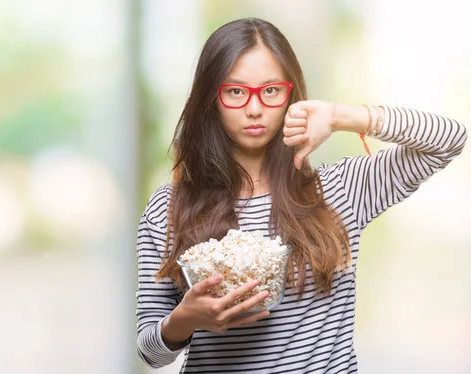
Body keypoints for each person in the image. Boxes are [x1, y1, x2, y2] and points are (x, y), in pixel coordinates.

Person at [135, 17, 467, 373]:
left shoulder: (341, 191)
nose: (254, 108)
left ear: (290, 96)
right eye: (235, 91)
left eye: (271, 90)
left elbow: (449, 139)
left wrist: (342, 115)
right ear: (210, 99)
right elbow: (151, 353)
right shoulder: (169, 208)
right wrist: (183, 320)